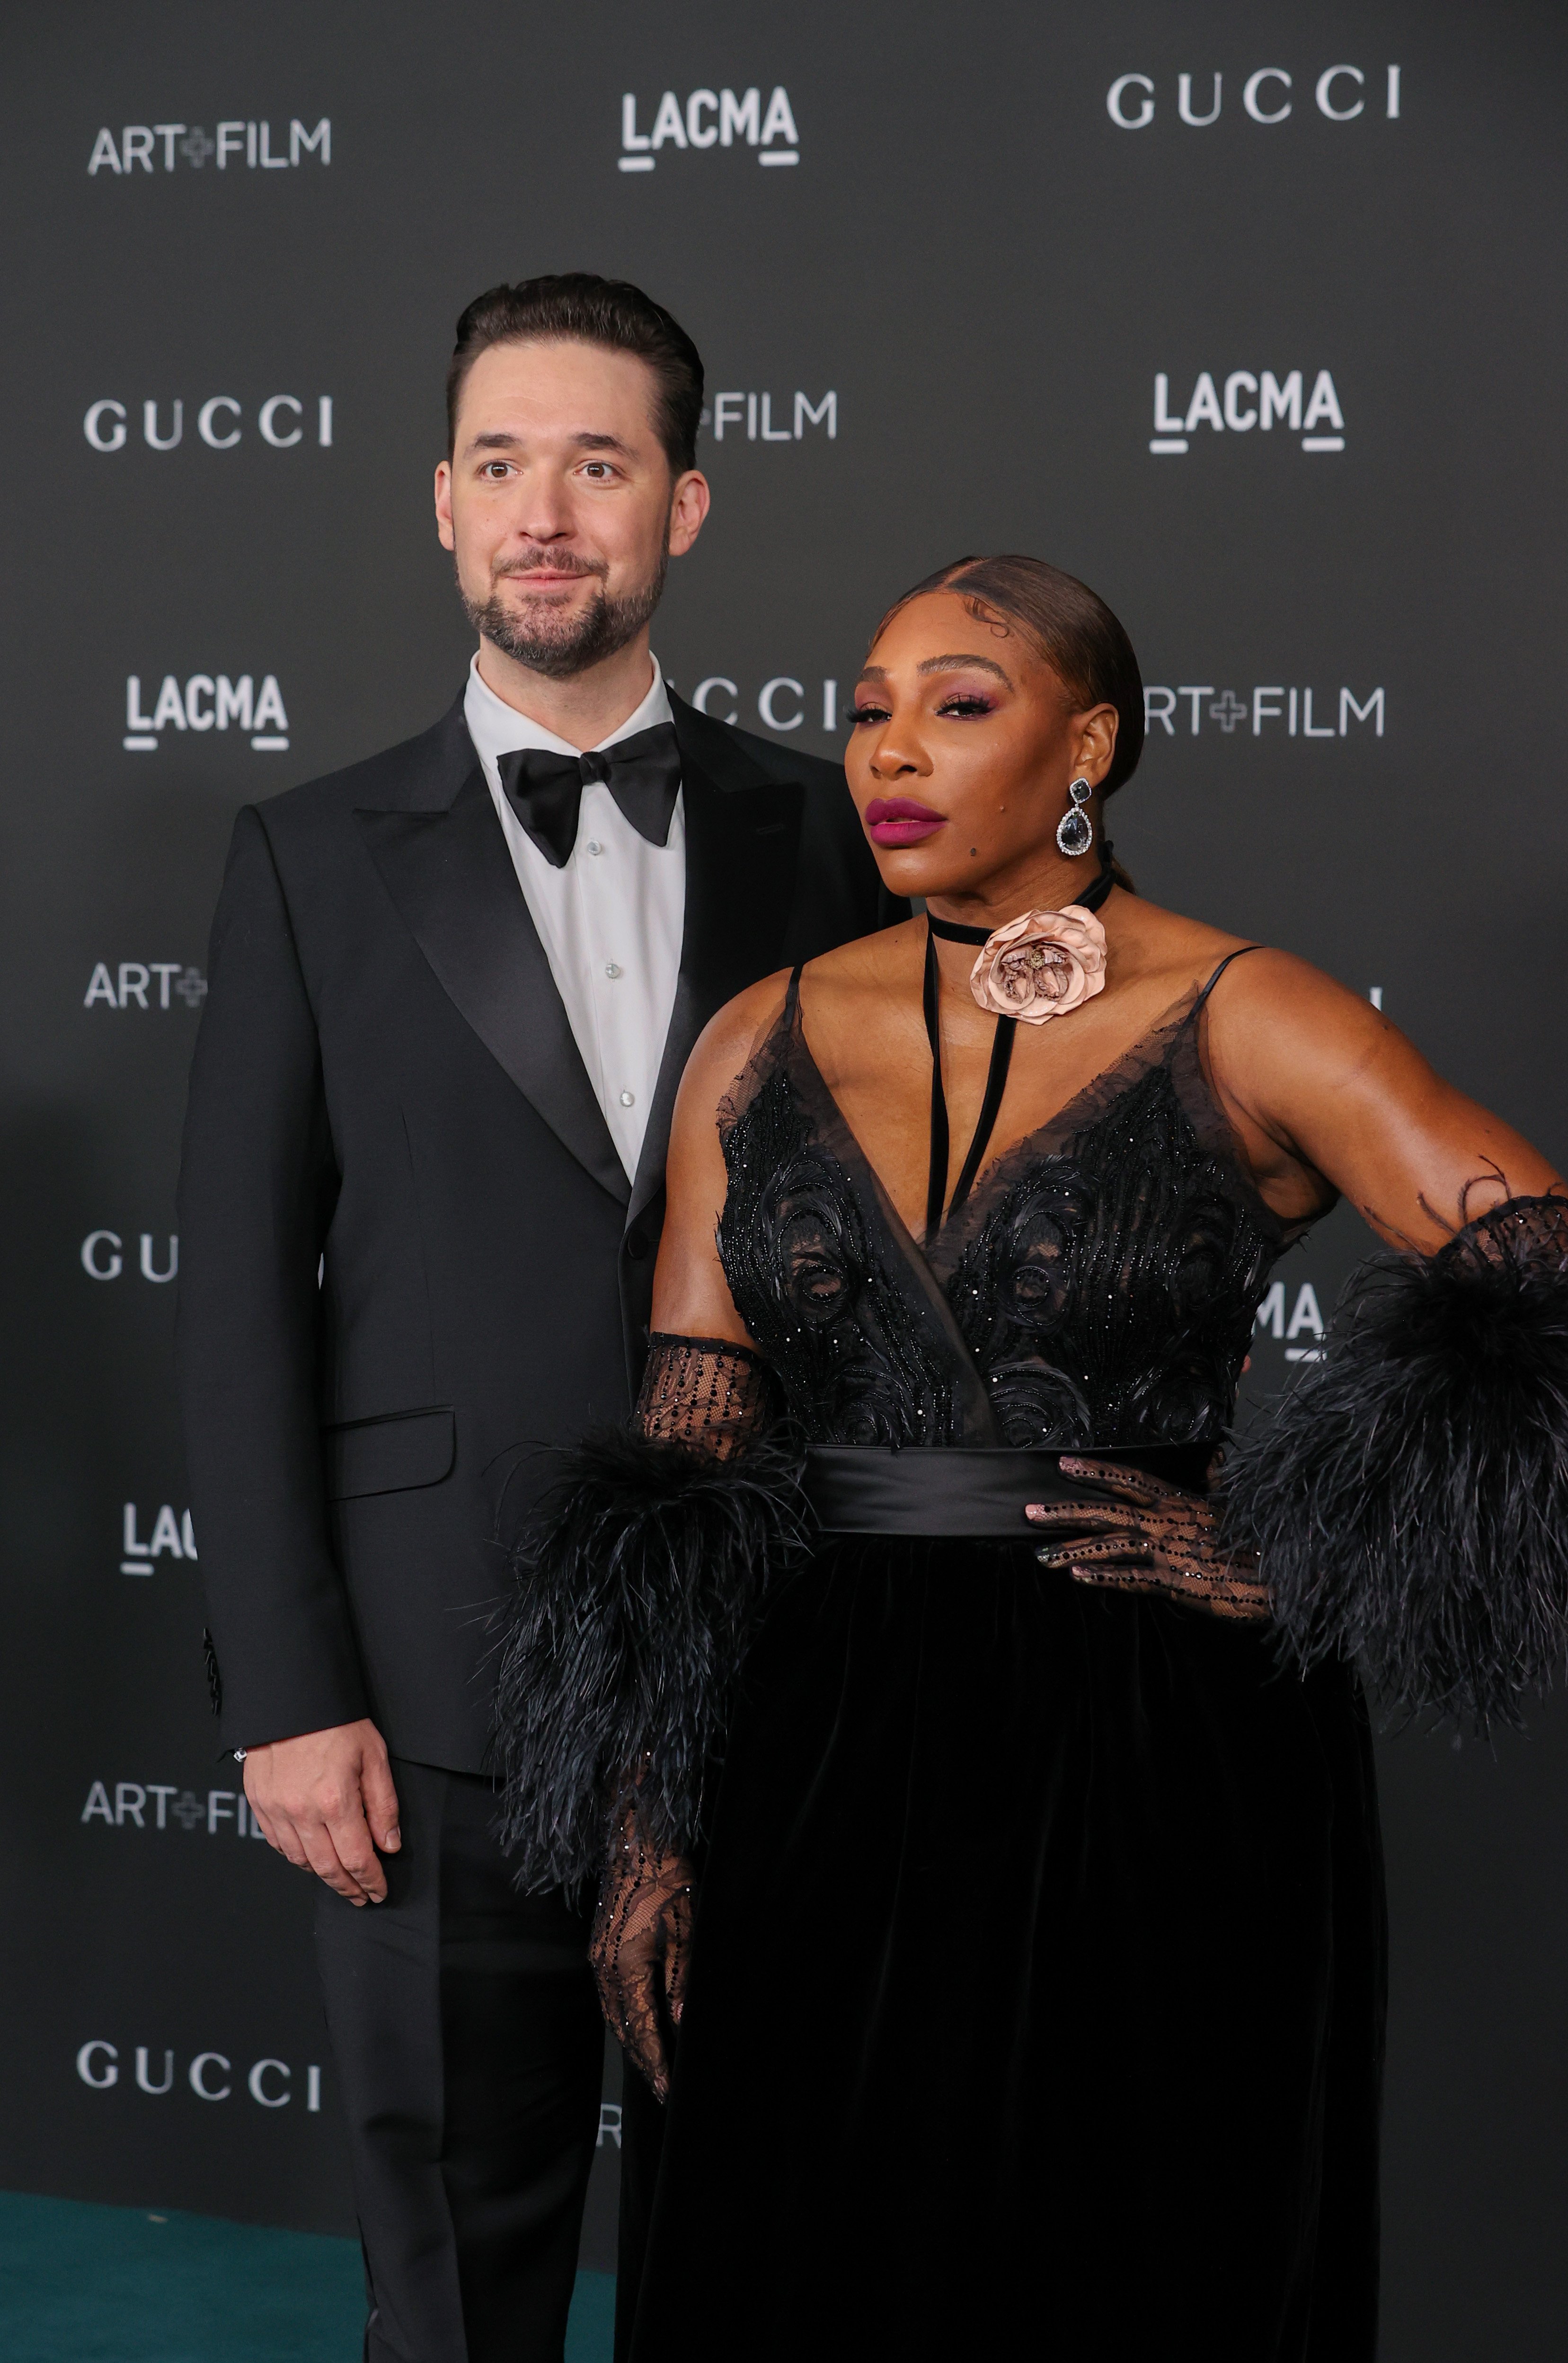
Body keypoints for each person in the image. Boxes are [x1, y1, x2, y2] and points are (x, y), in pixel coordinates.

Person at [496, 555, 1568, 2360]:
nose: (889, 751)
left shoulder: (1246, 1009)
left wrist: (1302, 1558)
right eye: (863, 709)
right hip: (812, 1734)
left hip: (1154, 1739)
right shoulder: (756, 1039)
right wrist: (644, 1828)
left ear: (1090, 742)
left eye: (958, 703)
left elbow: (1541, 1276)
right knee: (805, 2263)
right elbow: (689, 1460)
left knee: (1137, 2249)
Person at [175, 273, 895, 2363]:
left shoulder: (832, 833)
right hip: (421, 1687)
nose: (544, 509)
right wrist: (287, 1690)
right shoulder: (305, 855)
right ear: (440, 506)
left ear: (687, 501)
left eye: (596, 459)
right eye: (500, 462)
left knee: (760, 2246)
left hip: (767, 1661)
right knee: (455, 2282)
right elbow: (236, 1296)